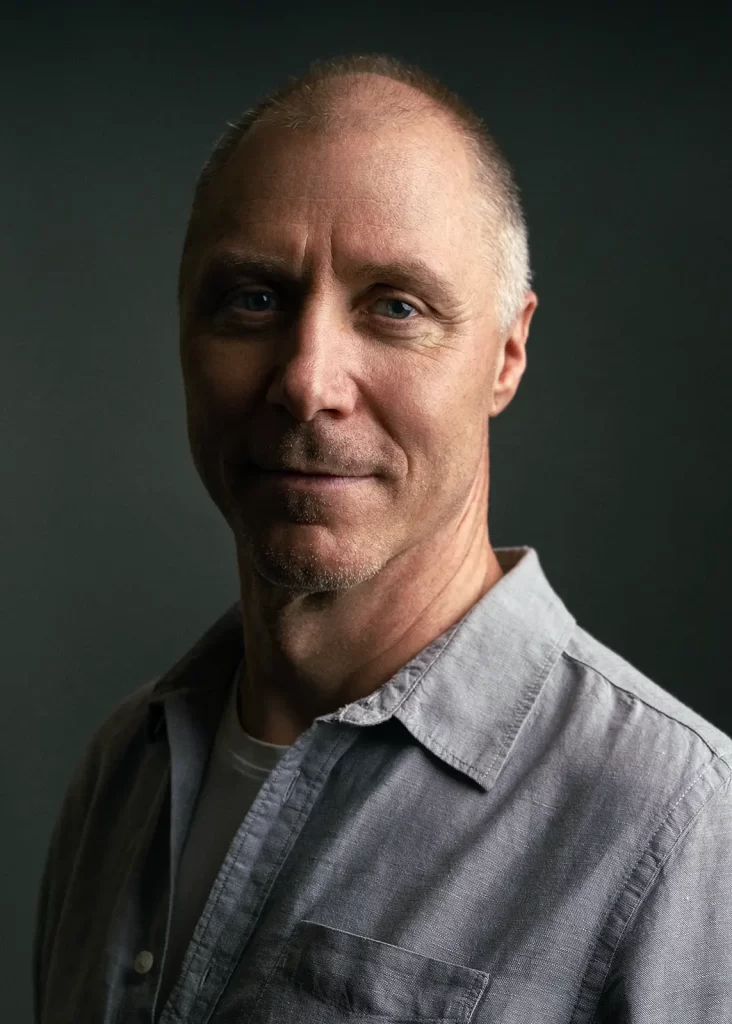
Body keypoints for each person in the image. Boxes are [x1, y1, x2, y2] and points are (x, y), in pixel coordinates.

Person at [33, 54, 732, 1024]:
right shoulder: (122, 772)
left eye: (397, 307)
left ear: (508, 353)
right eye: (254, 299)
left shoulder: (677, 821)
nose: (307, 382)